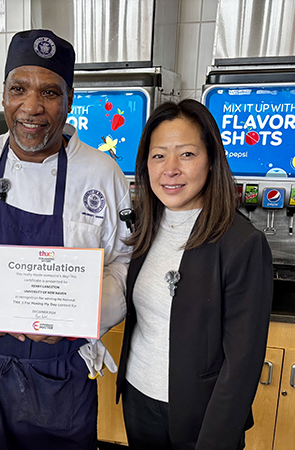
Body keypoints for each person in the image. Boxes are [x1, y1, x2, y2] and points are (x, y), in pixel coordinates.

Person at [0, 29, 131, 450]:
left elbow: (123, 264)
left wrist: (82, 315)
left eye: (50, 92)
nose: (32, 107)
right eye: (19, 89)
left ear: (70, 100)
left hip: (60, 377)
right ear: (3, 95)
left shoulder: (102, 174)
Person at [115, 99, 273, 450]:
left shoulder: (242, 244)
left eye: (186, 154)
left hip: (200, 415)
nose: (170, 169)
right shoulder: (146, 229)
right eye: (158, 156)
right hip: (139, 399)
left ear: (212, 160)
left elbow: (242, 366)